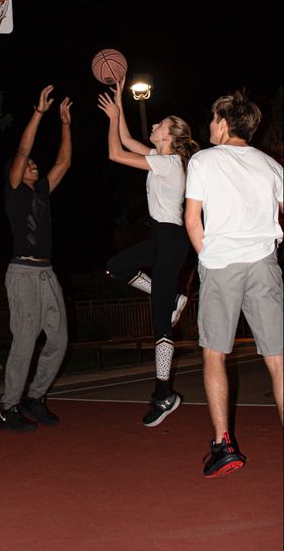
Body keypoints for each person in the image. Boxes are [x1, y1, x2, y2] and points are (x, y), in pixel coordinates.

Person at [185, 89, 283, 478]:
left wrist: (207, 258)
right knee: (277, 359)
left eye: (212, 119)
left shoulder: (203, 160)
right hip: (264, 263)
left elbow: (193, 219)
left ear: (224, 123)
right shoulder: (271, 166)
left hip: (222, 263)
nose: (209, 126)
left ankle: (223, 445)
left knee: (214, 354)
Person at [98, 78, 199, 427]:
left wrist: (113, 118)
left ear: (169, 136)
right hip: (163, 238)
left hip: (171, 240)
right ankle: (170, 297)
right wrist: (118, 103)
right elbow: (127, 140)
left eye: (159, 125)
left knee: (160, 326)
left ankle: (163, 395)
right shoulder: (161, 157)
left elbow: (115, 152)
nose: (153, 126)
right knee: (117, 265)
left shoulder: (169, 164)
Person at [0, 84, 72, 432]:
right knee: (26, 338)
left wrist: (66, 123)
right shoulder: (14, 190)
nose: (32, 164)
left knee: (58, 340)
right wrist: (40, 113)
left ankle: (34, 397)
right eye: (27, 164)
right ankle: (8, 408)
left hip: (47, 274)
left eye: (32, 164)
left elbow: (63, 161)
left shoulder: (42, 190)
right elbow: (24, 147)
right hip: (22, 272)